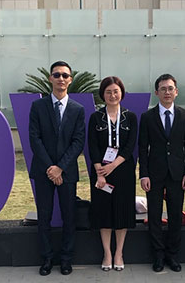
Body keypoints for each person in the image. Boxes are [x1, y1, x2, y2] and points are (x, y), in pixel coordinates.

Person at [28, 61, 86, 276]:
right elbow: (34, 139)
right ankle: (46, 259)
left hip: (67, 172)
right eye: (57, 75)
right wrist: (51, 168)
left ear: (70, 80)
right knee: (44, 216)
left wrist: (60, 168)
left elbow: (78, 142)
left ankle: (66, 259)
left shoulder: (77, 109)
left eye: (65, 75)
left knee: (69, 217)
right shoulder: (38, 106)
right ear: (50, 78)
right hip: (43, 171)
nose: (61, 78)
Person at [138, 73, 185, 273]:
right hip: (154, 174)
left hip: (178, 174)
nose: (167, 92)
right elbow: (142, 148)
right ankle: (158, 255)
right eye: (163, 89)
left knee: (175, 215)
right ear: (157, 92)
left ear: (176, 92)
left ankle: (172, 255)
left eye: (170, 88)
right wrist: (143, 174)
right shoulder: (147, 117)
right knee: (154, 216)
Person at [87, 76, 137, 272]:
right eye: (108, 92)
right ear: (103, 94)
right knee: (104, 212)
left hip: (123, 170)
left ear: (121, 93)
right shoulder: (95, 117)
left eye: (116, 91)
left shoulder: (130, 117)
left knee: (122, 212)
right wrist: (100, 172)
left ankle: (119, 253)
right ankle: (107, 253)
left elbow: (130, 146)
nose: (112, 95)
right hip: (101, 172)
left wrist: (113, 165)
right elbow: (92, 146)